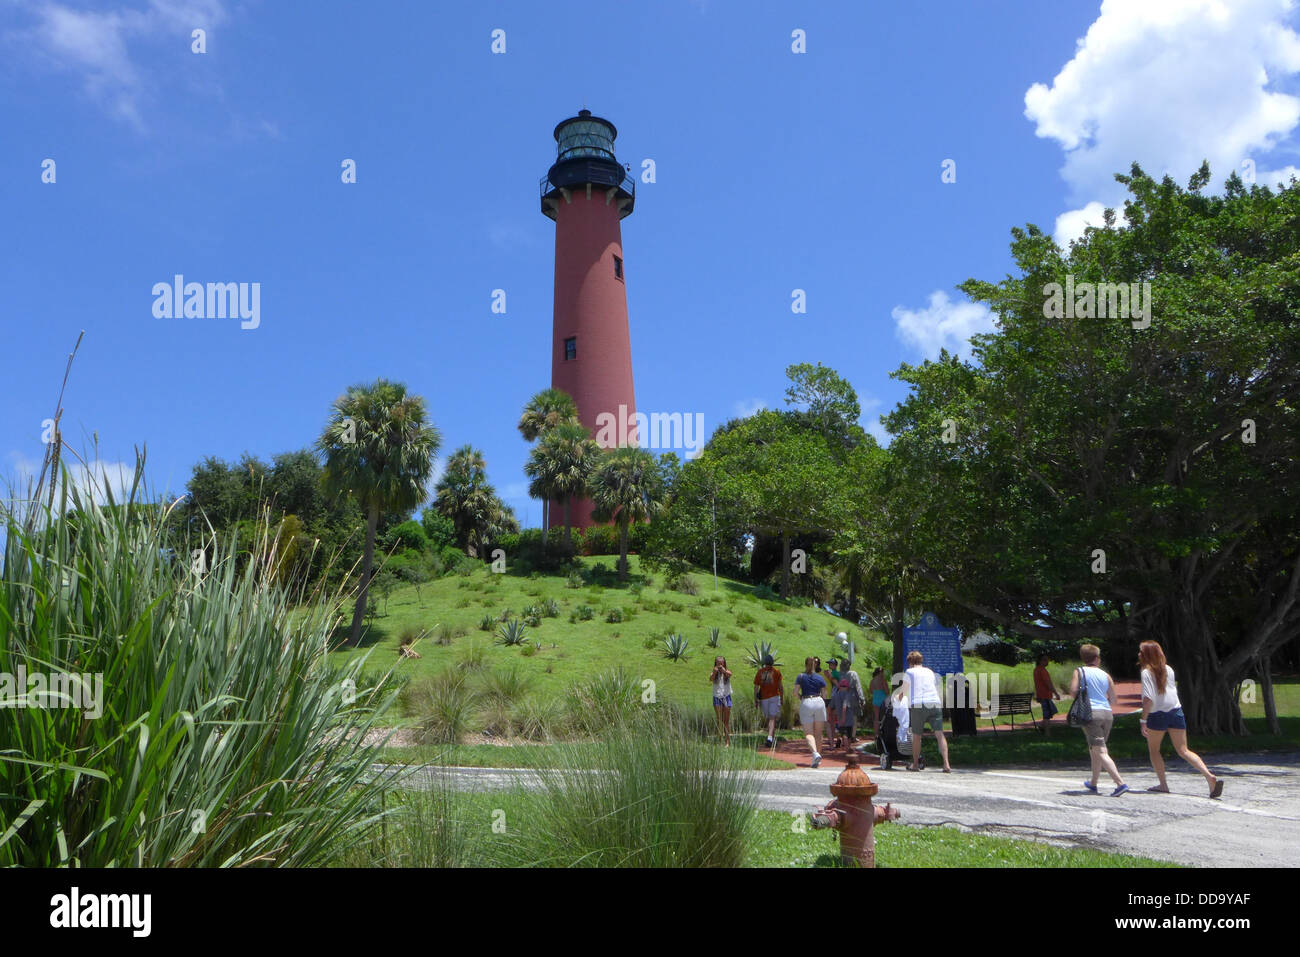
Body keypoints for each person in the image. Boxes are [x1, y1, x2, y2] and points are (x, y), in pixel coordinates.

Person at [1138, 641, 1222, 798]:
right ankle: (1208, 776)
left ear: (1147, 655)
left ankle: (1163, 785)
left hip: (1158, 714)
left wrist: (1143, 720)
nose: (1138, 655)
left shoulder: (1146, 672)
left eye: (1141, 652)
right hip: (1176, 711)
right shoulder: (1168, 669)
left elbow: (1148, 699)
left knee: (1154, 750)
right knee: (1183, 750)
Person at [1068, 644, 1129, 796]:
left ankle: (1120, 783)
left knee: (1100, 750)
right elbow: (1114, 699)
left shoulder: (1079, 671)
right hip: (1107, 713)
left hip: (1090, 713)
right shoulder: (1105, 675)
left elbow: (1073, 691)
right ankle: (1093, 783)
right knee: (1095, 749)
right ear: (1097, 658)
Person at [902, 651, 951, 772]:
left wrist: (897, 699)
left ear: (910, 662)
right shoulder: (929, 671)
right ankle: (946, 764)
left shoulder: (909, 672)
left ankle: (915, 764)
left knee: (917, 736)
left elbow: (903, 690)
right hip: (934, 703)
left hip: (919, 704)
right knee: (939, 734)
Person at [795, 657, 829, 768]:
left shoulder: (800, 677)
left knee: (809, 733)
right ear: (815, 665)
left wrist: (801, 697)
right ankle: (817, 759)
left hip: (807, 701)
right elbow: (824, 695)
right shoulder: (820, 678)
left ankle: (815, 753)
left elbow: (795, 692)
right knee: (819, 733)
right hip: (819, 701)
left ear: (805, 665)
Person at [832, 658, 866, 747]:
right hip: (852, 698)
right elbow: (858, 687)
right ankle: (852, 736)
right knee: (853, 718)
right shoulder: (853, 674)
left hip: (840, 697)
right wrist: (862, 699)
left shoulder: (839, 674)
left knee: (840, 717)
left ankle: (840, 736)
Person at [753, 654, 783, 749]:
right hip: (774, 697)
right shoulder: (776, 672)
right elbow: (780, 686)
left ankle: (770, 738)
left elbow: (756, 687)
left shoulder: (760, 672)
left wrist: (756, 699)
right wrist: (782, 697)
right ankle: (771, 738)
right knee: (771, 718)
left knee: (770, 718)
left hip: (764, 698)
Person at [1033, 655, 1061, 737]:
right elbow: (1048, 683)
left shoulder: (1036, 670)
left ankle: (1041, 726)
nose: (1047, 662)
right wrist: (1055, 693)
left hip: (1041, 694)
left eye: (1047, 660)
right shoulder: (1042, 670)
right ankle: (1047, 733)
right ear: (1040, 661)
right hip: (1045, 695)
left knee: (1051, 711)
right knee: (1047, 715)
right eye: (1045, 660)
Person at [710, 655, 733, 747]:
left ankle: (727, 742)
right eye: (718, 663)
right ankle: (719, 740)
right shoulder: (713, 672)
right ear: (715, 663)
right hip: (717, 697)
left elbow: (730, 674)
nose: (720, 664)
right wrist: (715, 672)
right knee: (719, 719)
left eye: (721, 663)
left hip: (726, 697)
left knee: (726, 721)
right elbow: (711, 679)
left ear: (724, 663)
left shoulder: (726, 671)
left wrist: (723, 671)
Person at [825, 657, 841, 748]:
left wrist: (829, 676)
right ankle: (837, 737)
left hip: (834, 698)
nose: (829, 665)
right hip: (836, 698)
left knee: (831, 720)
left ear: (835, 665)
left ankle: (834, 739)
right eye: (829, 664)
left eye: (831, 664)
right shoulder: (837, 673)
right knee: (835, 719)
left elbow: (837, 684)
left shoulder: (834, 673)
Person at [869, 667, 889, 736]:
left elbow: (871, 691)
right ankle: (884, 732)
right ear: (880, 672)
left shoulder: (872, 681)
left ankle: (876, 734)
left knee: (876, 718)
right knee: (885, 717)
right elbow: (887, 691)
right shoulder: (883, 680)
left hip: (875, 699)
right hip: (883, 700)